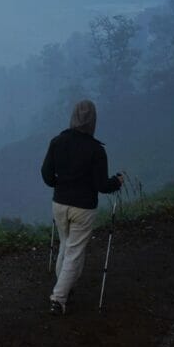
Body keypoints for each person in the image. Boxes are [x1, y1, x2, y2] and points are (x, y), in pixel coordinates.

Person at [41, 99, 123, 315]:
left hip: (60, 204)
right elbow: (102, 186)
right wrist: (117, 181)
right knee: (74, 252)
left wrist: (59, 184)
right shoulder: (96, 150)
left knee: (65, 247)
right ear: (93, 121)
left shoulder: (57, 141)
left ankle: (64, 289)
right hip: (83, 208)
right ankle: (58, 298)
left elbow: (46, 175)